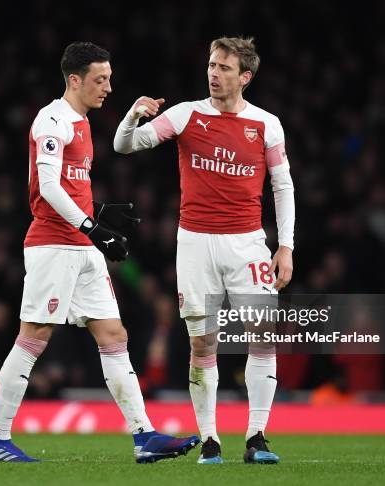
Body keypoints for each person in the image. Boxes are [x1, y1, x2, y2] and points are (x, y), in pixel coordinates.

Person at [0, 42, 199, 463]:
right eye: (101, 80)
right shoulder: (52, 120)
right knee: (34, 337)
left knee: (113, 335)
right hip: (53, 245)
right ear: (75, 80)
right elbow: (46, 189)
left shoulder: (81, 121)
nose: (108, 87)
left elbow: (67, 184)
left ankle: (144, 436)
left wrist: (98, 212)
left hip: (81, 245)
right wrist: (92, 226)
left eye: (110, 78)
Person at [114, 36, 295, 464]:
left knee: (262, 338)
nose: (214, 74)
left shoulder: (267, 124)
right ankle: (210, 440)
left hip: (247, 243)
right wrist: (132, 115)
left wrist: (285, 246)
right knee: (203, 345)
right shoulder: (184, 115)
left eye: (224, 68)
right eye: (212, 65)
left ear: (245, 77)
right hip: (195, 244)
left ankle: (257, 437)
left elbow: (282, 185)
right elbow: (125, 146)